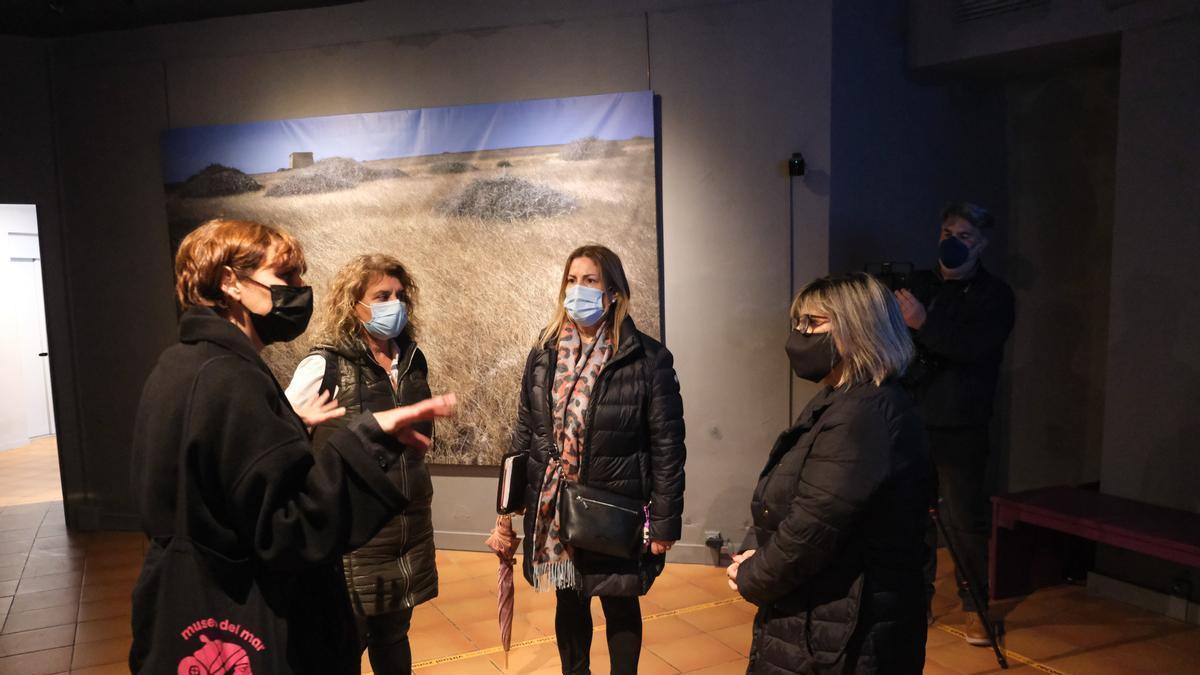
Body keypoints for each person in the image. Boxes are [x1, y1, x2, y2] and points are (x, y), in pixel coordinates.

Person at [129, 219, 456, 674]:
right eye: (285, 277)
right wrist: (365, 439)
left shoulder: (181, 364)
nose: (300, 290)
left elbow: (228, 487)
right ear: (230, 283)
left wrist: (288, 427)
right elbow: (287, 528)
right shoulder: (230, 378)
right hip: (245, 621)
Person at [492, 244, 686, 675]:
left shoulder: (647, 359)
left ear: (614, 292)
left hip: (615, 504)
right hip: (555, 506)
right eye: (571, 280)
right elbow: (525, 432)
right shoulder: (543, 353)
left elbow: (668, 448)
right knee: (570, 599)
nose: (577, 290)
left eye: (590, 281)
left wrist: (666, 523)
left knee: (619, 603)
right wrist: (505, 510)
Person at [727, 272, 930, 674]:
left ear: (860, 328)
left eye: (813, 323)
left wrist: (755, 574)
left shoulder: (866, 414)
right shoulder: (842, 400)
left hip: (843, 630)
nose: (799, 336)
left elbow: (816, 523)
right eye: (798, 323)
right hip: (822, 615)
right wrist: (758, 551)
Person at [284, 253, 436, 674]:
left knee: (394, 636)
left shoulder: (410, 361)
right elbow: (284, 432)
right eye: (381, 295)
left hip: (407, 529)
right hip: (354, 537)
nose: (394, 304)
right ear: (354, 304)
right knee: (344, 644)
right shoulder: (324, 365)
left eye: (400, 295)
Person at [893, 202, 1015, 643]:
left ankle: (975, 609)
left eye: (964, 236)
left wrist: (923, 323)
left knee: (964, 521)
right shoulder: (917, 284)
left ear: (982, 244)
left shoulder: (996, 296)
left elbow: (971, 349)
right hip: (911, 420)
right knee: (910, 518)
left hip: (961, 425)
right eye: (948, 231)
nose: (952, 241)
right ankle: (914, 601)